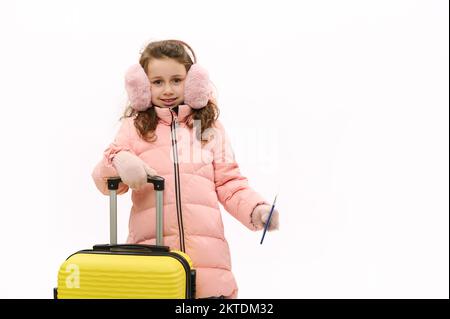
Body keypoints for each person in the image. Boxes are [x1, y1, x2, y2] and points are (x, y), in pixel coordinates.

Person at [91, 39, 280, 299]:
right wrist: (120, 160)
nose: (167, 89)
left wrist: (256, 209)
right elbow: (102, 181)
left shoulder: (208, 129)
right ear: (143, 87)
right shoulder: (135, 129)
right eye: (157, 82)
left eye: (176, 80)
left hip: (207, 262)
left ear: (192, 82)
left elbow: (229, 182)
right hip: (153, 258)